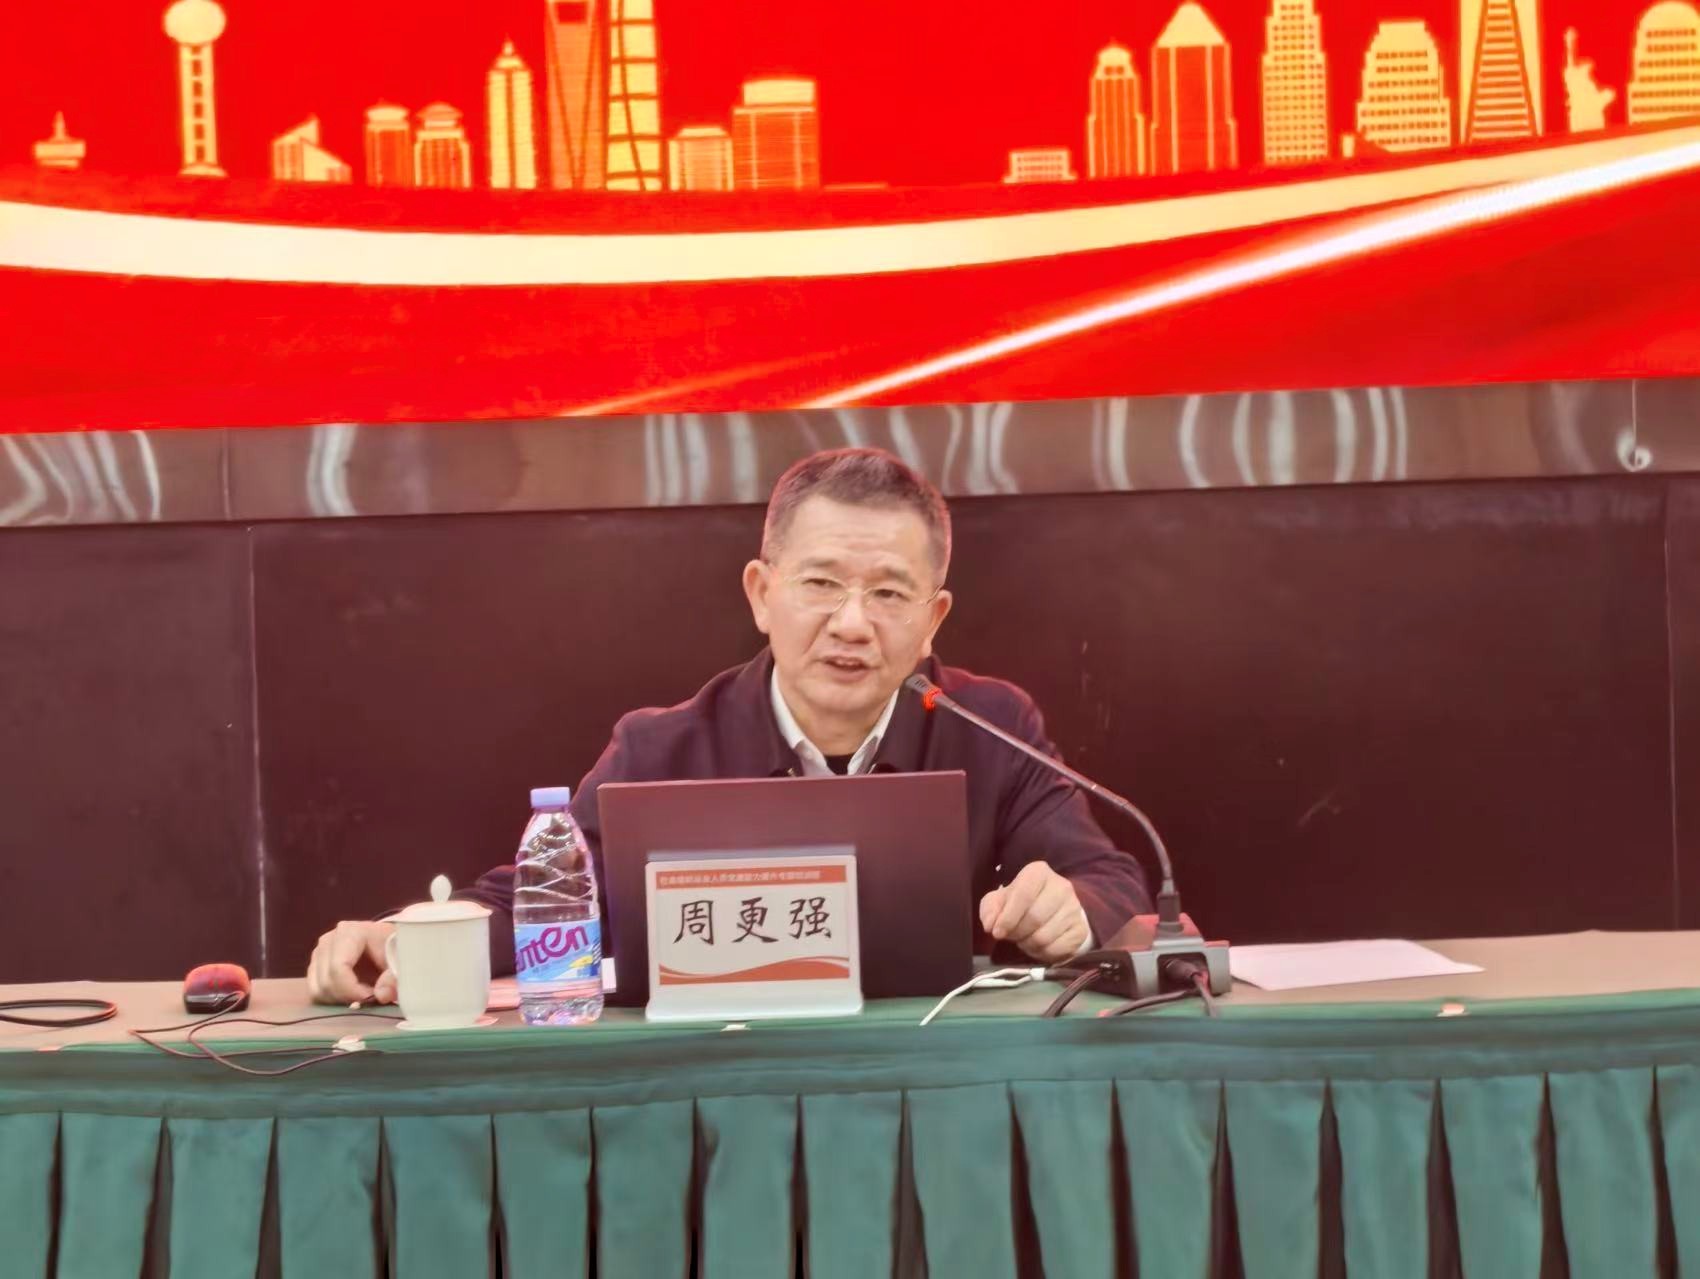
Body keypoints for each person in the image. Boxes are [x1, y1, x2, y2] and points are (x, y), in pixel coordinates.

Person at [306, 448, 1151, 1005]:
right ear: (760, 593)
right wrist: (406, 935)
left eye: (890, 594)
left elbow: (1111, 879)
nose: (852, 623)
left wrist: (1072, 910)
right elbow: (540, 899)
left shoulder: (993, 725)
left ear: (933, 619)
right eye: (821, 583)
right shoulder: (662, 748)